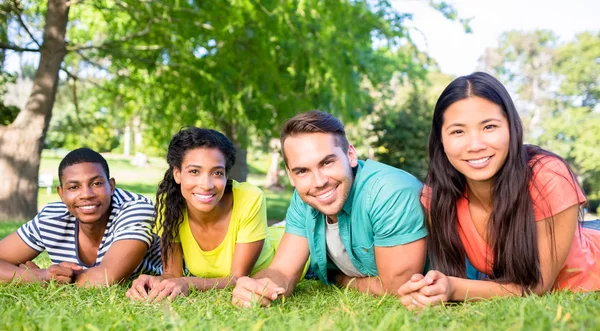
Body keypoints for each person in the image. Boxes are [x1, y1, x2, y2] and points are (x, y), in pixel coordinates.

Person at [398, 72, 600, 309]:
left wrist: (453, 287)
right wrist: (428, 288)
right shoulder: (438, 196)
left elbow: (537, 286)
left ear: (511, 128)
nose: (475, 145)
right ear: (441, 140)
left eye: (489, 126)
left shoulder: (548, 176)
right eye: (458, 131)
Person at [231, 110, 427, 308]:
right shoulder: (304, 198)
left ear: (350, 155)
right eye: (302, 171)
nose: (318, 182)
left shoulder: (388, 191)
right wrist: (259, 286)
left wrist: (340, 279)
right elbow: (282, 271)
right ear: (290, 175)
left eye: (327, 162)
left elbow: (397, 288)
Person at [126, 127, 282, 301]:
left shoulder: (249, 198)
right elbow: (172, 274)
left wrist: (189, 282)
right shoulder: (169, 205)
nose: (206, 184)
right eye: (194, 171)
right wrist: (153, 281)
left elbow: (238, 278)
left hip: (286, 253)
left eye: (217, 173)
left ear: (226, 175)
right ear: (177, 174)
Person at [0, 148, 161, 286]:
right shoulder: (51, 218)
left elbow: (108, 277)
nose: (86, 194)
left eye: (96, 183)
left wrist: (60, 280)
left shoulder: (134, 208)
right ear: (61, 193)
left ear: (111, 186)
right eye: (74, 187)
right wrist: (41, 276)